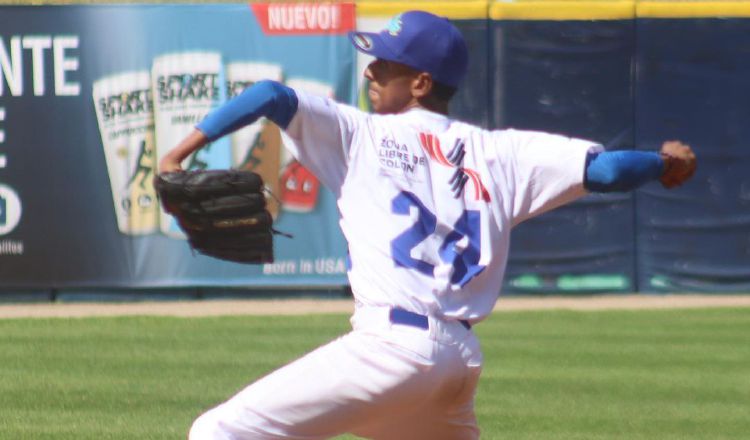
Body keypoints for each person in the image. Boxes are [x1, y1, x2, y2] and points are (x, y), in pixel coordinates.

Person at [159, 10, 696, 440]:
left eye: (384, 66)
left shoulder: (359, 135)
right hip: (456, 363)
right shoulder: (500, 152)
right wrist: (664, 163)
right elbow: (605, 170)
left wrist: (178, 154)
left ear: (419, 82)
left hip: (391, 348)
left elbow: (271, 97)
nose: (370, 72)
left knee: (220, 431)